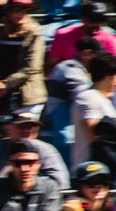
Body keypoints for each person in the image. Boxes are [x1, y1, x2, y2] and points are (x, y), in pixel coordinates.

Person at [0, 110, 69, 190]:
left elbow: (60, 183)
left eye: (31, 127)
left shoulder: (46, 150)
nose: (26, 131)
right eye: (21, 126)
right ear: (8, 127)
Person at [0, 0, 46, 119]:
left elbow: (32, 67)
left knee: (25, 129)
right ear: (9, 11)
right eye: (16, 10)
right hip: (0, 93)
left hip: (27, 95)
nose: (20, 14)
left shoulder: (34, 32)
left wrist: (6, 84)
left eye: (24, 11)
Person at [44, 35, 102, 164]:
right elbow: (84, 95)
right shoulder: (70, 68)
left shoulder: (78, 69)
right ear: (86, 54)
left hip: (69, 125)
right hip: (63, 129)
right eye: (98, 56)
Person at [72, 51, 116, 168]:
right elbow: (95, 132)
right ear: (108, 76)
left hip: (106, 170)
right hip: (91, 172)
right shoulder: (88, 97)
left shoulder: (103, 99)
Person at [46, 1, 116, 70]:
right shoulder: (63, 36)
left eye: (101, 20)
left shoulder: (110, 39)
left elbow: (113, 69)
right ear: (82, 19)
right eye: (92, 20)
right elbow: (51, 64)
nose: (96, 24)